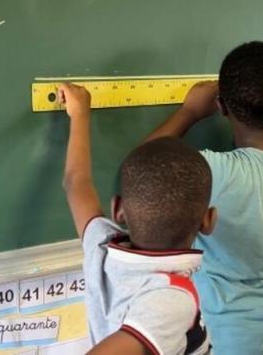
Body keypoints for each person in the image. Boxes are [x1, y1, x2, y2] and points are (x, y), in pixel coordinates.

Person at [144, 41, 263, 355]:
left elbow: (144, 166)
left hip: (235, 341)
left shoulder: (212, 171)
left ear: (221, 106)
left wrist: (188, 112)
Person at [58, 83, 215, 355]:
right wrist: (81, 111)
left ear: (118, 210)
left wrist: (80, 114)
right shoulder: (171, 297)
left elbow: (77, 183)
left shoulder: (102, 245)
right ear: (208, 221)